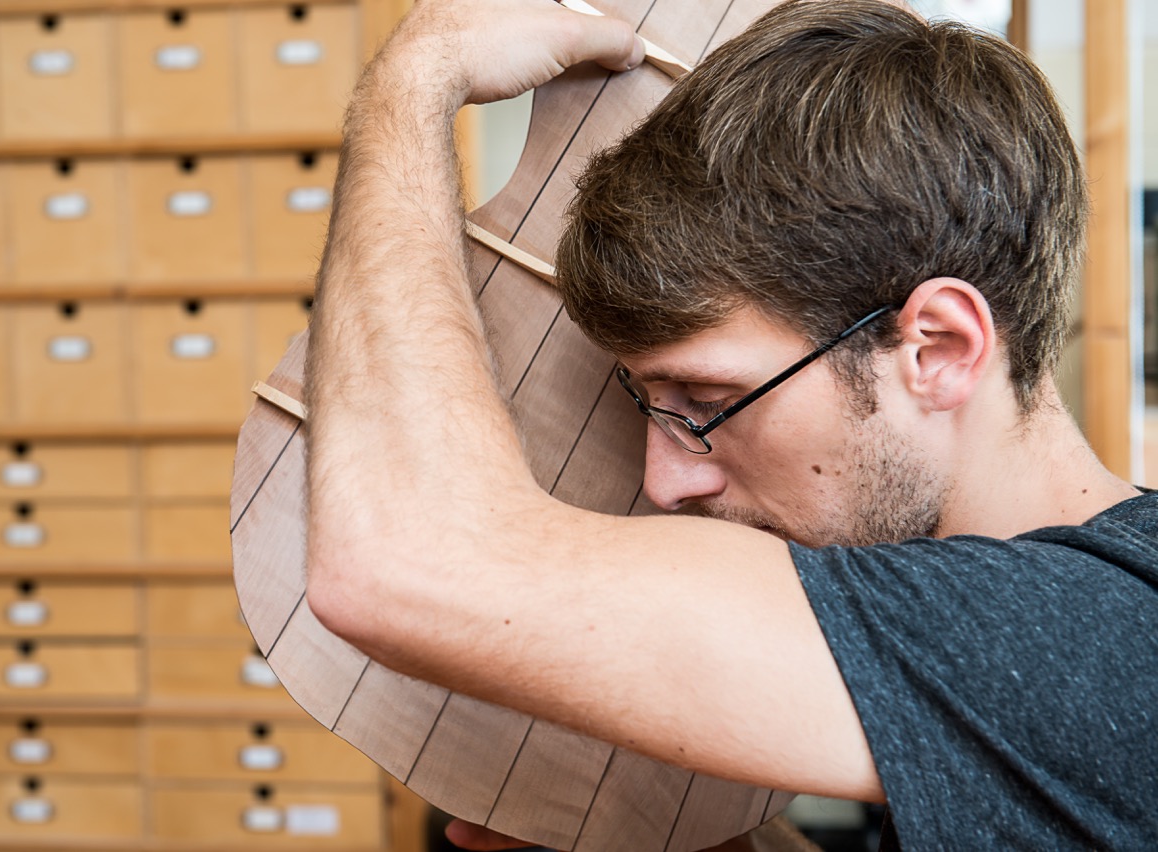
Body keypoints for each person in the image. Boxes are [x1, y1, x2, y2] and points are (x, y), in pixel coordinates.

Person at [301, 0, 1158, 848]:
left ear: (935, 348)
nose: (667, 480)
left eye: (708, 406)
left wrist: (412, 77)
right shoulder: (1090, 621)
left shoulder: (1077, 641)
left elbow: (402, 561)